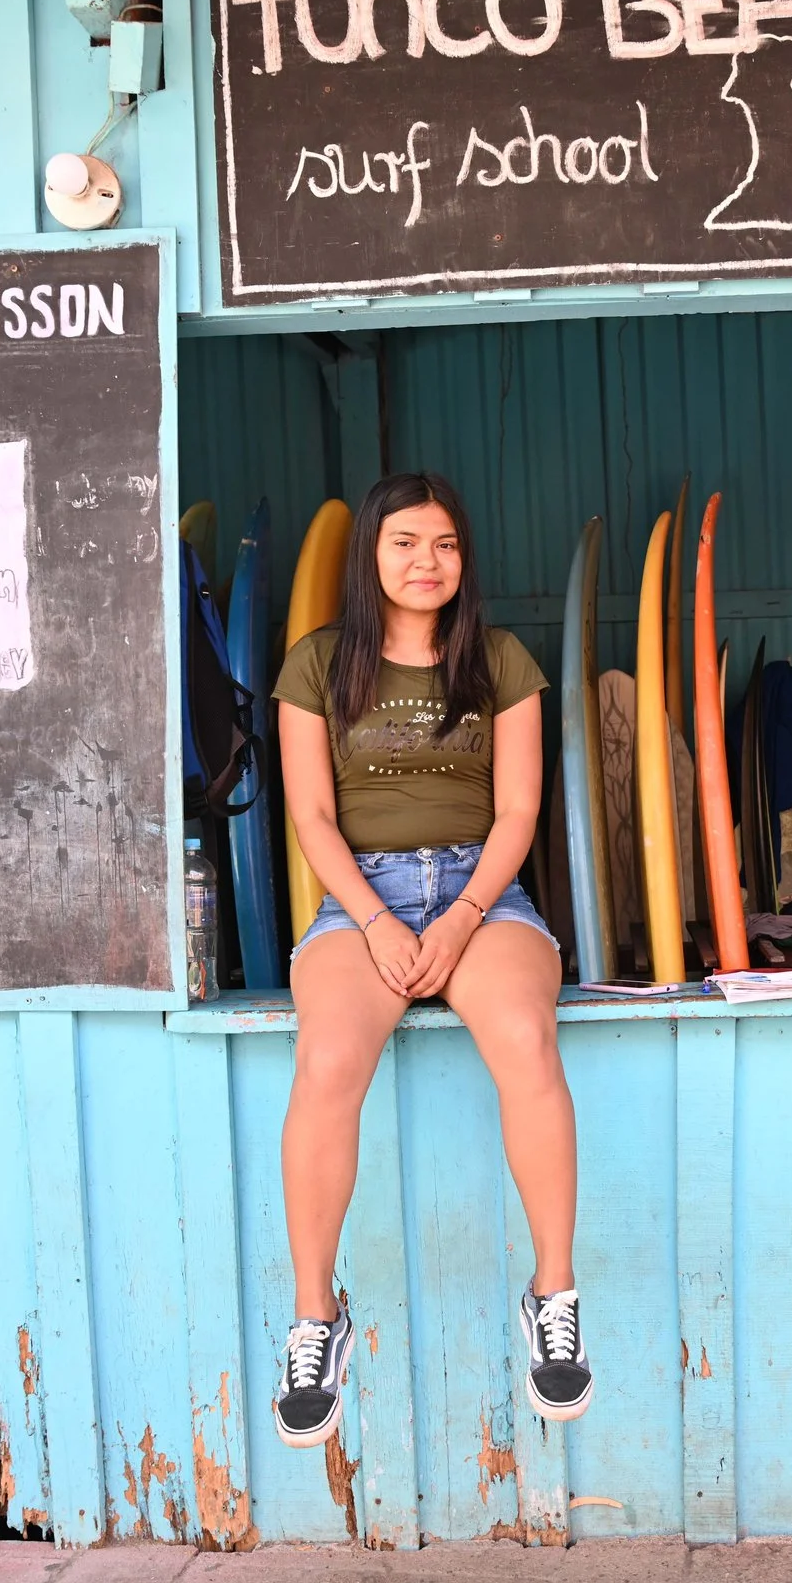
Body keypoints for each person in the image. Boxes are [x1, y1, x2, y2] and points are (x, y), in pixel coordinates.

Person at [267, 471, 590, 1449]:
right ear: (372, 554)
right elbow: (312, 815)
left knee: (527, 1039)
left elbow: (521, 812)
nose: (427, 562)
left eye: (445, 544)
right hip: (360, 895)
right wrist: (373, 920)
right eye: (405, 542)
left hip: (481, 890)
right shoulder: (317, 664)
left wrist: (459, 919)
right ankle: (317, 1320)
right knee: (326, 1061)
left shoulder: (500, 660)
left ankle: (553, 1297)